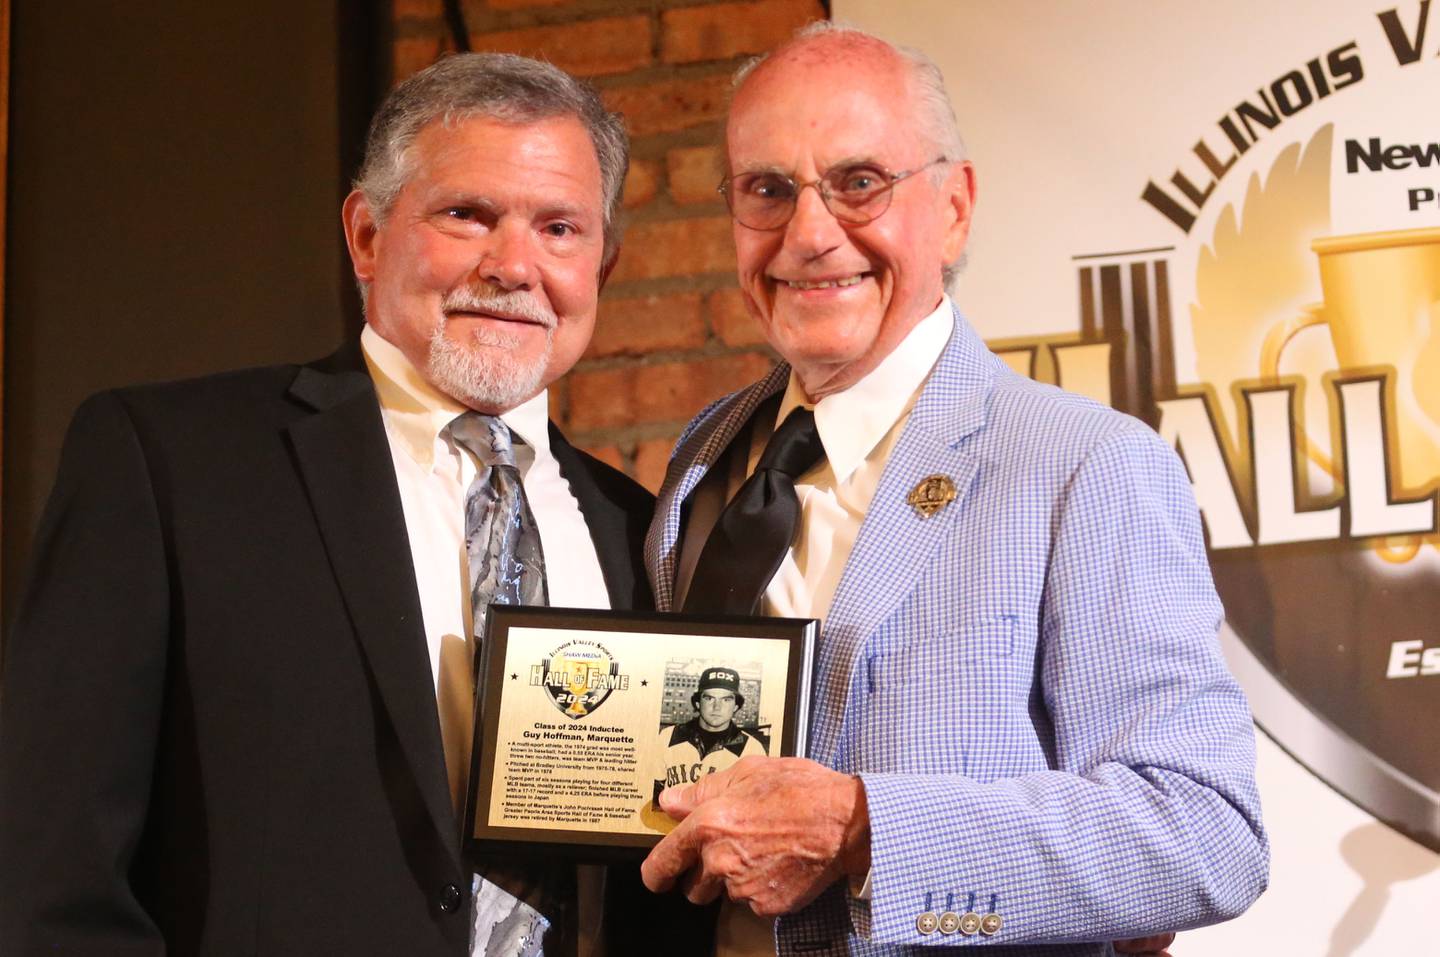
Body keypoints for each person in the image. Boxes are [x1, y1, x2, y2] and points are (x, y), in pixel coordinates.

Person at [0, 53, 657, 957]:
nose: (515, 265)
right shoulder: (169, 463)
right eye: (468, 214)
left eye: (560, 228)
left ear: (604, 264)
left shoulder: (640, 527)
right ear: (366, 235)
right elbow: (52, 864)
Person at [637, 23, 1268, 956]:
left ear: (956, 207)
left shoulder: (1086, 465)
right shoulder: (702, 458)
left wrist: (860, 827)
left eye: (859, 183)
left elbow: (1205, 830)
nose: (809, 236)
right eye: (767, 191)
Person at [654, 667, 769, 798]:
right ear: (698, 703)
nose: (717, 707)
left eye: (726, 700)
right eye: (709, 698)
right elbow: (652, 792)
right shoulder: (668, 736)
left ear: (736, 706)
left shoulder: (751, 749)